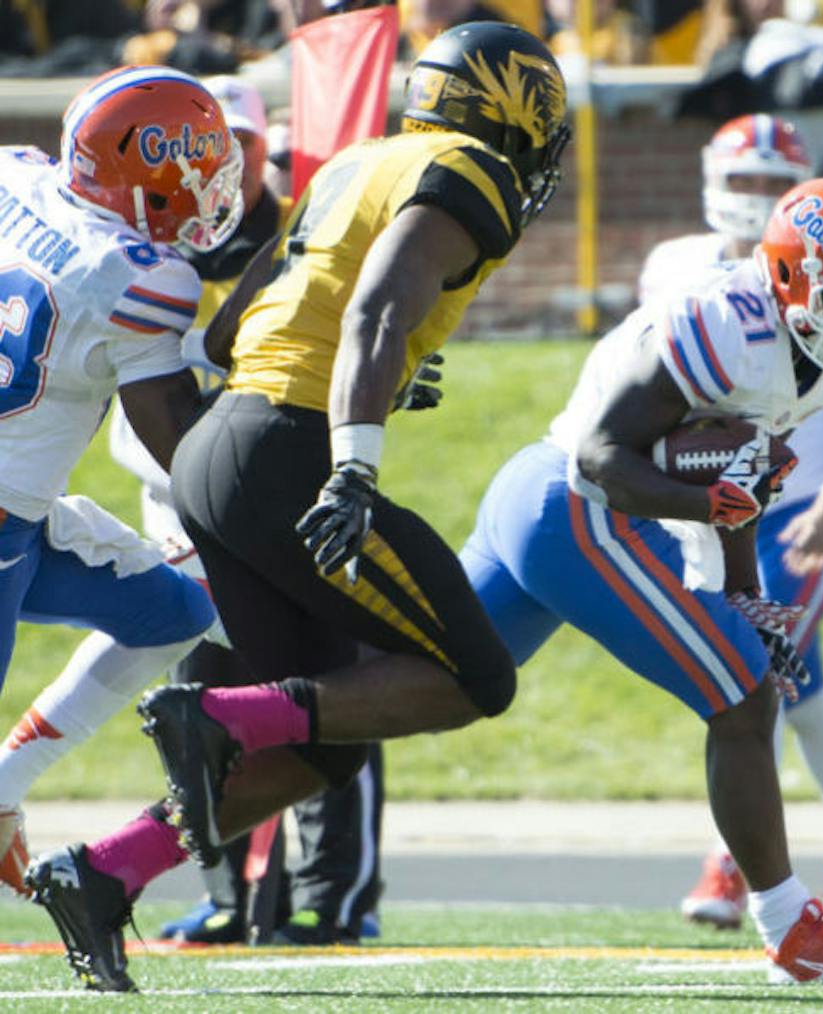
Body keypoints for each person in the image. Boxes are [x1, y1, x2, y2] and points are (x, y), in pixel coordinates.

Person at [26, 21, 570, 992]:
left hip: (220, 448)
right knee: (476, 676)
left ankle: (105, 871)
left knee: (329, 739)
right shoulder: (469, 169)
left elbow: (238, 327)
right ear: (515, 112)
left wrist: (373, 377)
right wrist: (355, 463)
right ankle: (218, 716)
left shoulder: (358, 162)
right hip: (286, 454)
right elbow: (375, 312)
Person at [457, 174, 823, 984]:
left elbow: (739, 477)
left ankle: (228, 733)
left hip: (563, 501)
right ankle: (789, 926)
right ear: (792, 282)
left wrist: (744, 593)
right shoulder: (725, 324)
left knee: (427, 689)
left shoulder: (810, 353)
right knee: (745, 697)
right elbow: (603, 459)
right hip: (577, 501)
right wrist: (708, 500)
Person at [106, 73, 384, 947]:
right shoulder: (139, 244)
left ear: (263, 150)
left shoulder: (307, 233)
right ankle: (226, 893)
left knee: (326, 686)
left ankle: (335, 895)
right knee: (198, 701)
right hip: (173, 496)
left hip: (279, 490)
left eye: (227, 149)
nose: (203, 171)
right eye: (189, 150)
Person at [639, 114, 823, 931]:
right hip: (720, 504)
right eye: (744, 179)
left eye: (774, 181)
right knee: (806, 696)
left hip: (801, 506)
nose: (757, 195)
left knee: (749, 675)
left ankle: (734, 865)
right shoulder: (676, 265)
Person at [0, 65, 244, 896]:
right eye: (201, 165)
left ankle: (1, 792)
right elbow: (178, 440)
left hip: (21, 518)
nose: (213, 184)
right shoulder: (140, 279)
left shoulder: (13, 174)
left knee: (176, 612)